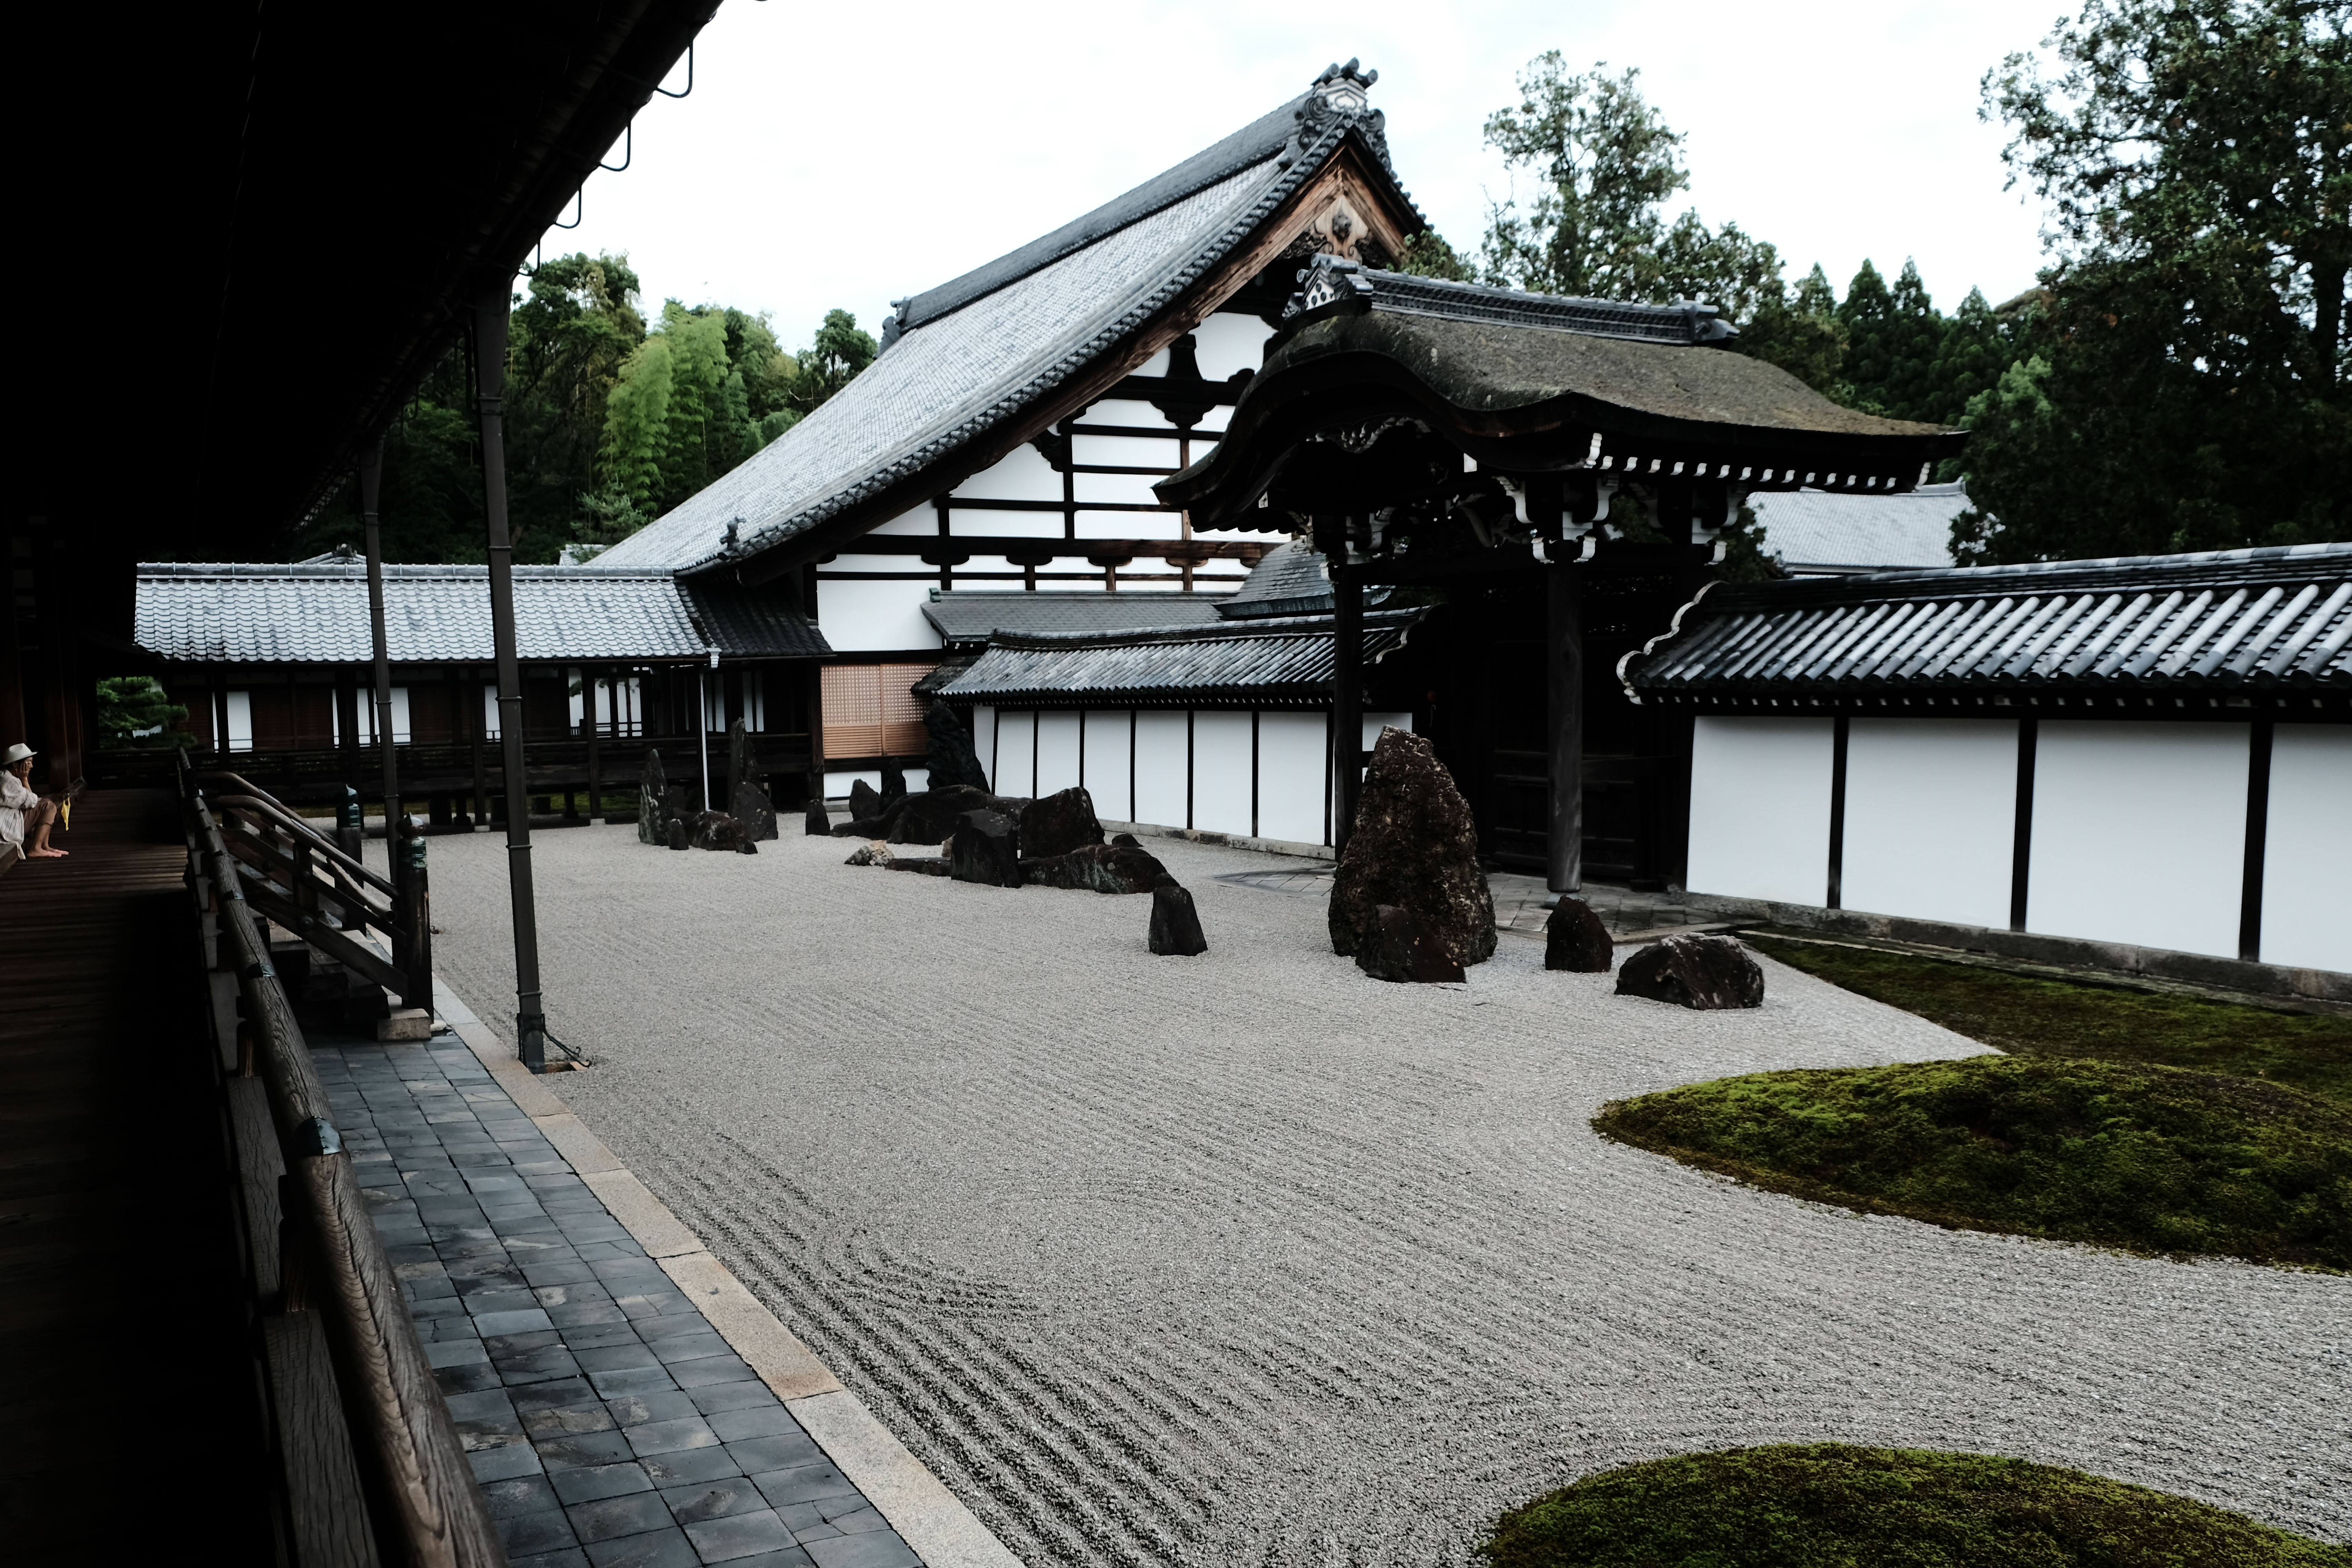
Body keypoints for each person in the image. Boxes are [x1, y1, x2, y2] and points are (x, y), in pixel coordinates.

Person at [1, 743, 67, 858]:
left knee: (47, 804)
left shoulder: (7, 777)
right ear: (16, 765)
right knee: (48, 806)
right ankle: (36, 848)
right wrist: (24, 779)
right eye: (29, 762)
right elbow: (32, 802)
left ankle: (44, 846)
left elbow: (31, 800)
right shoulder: (8, 780)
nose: (31, 766)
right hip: (6, 825)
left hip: (7, 820)